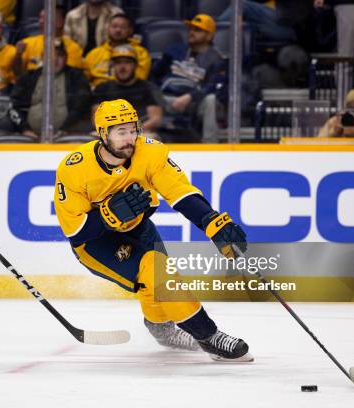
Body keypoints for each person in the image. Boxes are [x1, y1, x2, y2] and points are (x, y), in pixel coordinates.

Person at [54, 99, 252, 361]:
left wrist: (212, 222)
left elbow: (179, 191)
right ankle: (209, 337)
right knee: (157, 269)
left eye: (133, 130)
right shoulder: (74, 168)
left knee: (158, 280)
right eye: (121, 132)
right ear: (103, 134)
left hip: (139, 227)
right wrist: (108, 215)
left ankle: (161, 329)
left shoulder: (151, 153)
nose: (130, 139)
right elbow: (77, 231)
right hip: (96, 243)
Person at [153, 13, 224, 142]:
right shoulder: (174, 50)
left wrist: (189, 97)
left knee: (211, 99)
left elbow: (211, 87)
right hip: (165, 98)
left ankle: (211, 145)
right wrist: (157, 95)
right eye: (190, 28)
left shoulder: (216, 59)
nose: (191, 32)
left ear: (209, 36)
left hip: (193, 102)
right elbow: (155, 75)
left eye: (197, 30)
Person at [10, 39, 92, 138]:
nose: (55, 59)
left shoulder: (77, 77)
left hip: (67, 136)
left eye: (60, 55)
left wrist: (64, 130)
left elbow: (81, 107)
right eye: (50, 55)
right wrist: (24, 129)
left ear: (66, 57)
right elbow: (14, 106)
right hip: (29, 137)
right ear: (42, 57)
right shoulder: (28, 78)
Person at [93, 45, 164, 136]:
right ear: (113, 65)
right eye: (118, 63)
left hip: (141, 132)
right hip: (110, 133)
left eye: (127, 62)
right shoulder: (102, 88)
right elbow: (96, 118)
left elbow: (155, 119)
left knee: (151, 137)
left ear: (135, 65)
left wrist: (131, 131)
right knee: (93, 137)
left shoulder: (149, 88)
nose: (122, 67)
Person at [13, 6, 84, 76]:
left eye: (46, 18)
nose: (40, 21)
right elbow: (18, 73)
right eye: (40, 18)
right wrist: (18, 56)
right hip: (32, 85)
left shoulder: (73, 49)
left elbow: (70, 77)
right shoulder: (27, 43)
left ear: (60, 22)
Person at [85, 13, 150, 88]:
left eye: (123, 27)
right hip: (97, 95)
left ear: (130, 30)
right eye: (114, 26)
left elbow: (139, 80)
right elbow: (84, 80)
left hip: (127, 93)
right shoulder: (94, 53)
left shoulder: (140, 53)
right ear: (108, 28)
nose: (118, 30)